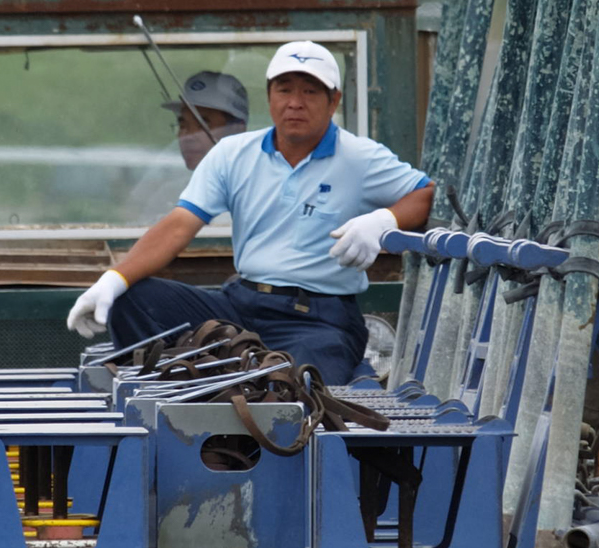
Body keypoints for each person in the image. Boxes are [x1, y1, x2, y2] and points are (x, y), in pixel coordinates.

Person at [68, 40, 434, 385]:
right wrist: (114, 280)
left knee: (301, 383)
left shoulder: (360, 157)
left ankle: (247, 407)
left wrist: (384, 220)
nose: (295, 102)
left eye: (310, 91)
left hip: (319, 318)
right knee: (134, 301)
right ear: (270, 96)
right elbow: (179, 224)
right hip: (241, 305)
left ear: (333, 100)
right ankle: (186, 401)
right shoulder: (232, 153)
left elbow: (424, 193)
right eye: (285, 89)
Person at [163, 69, 249, 171]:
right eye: (183, 126)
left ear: (237, 130)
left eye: (203, 125)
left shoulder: (258, 185)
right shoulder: (167, 185)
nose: (187, 137)